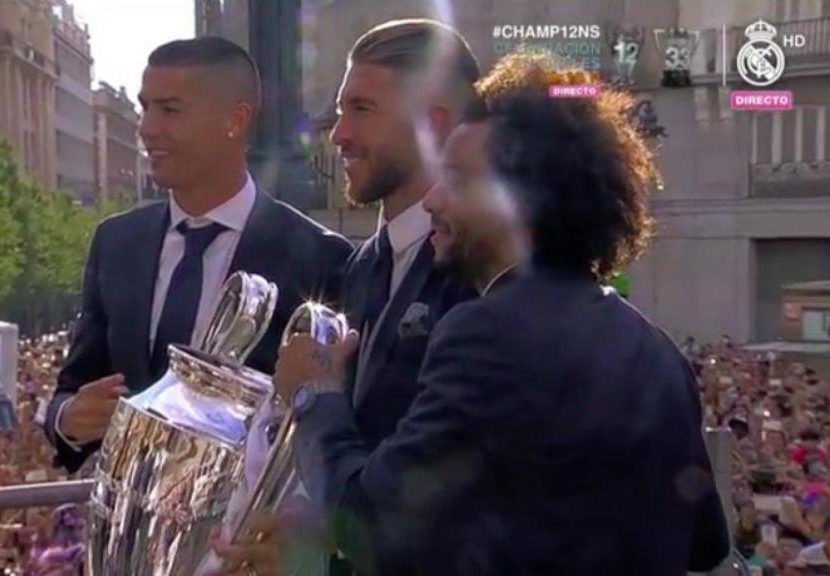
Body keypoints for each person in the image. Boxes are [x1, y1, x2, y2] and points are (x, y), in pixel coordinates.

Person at [272, 53, 730, 575]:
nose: (433, 200)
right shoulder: (657, 350)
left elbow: (370, 523)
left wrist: (314, 394)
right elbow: (705, 543)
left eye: (458, 179)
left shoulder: (485, 333)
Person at [210, 19, 486, 576]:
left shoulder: (480, 274)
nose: (336, 135)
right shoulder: (358, 267)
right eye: (338, 111)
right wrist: (311, 540)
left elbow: (444, 500)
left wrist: (312, 391)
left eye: (361, 110)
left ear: (433, 125)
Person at [44, 36, 352, 472]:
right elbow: (71, 390)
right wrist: (68, 418)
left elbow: (328, 423)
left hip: (249, 533)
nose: (147, 128)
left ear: (236, 119)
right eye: (144, 106)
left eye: (169, 110)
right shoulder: (115, 244)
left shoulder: (319, 257)